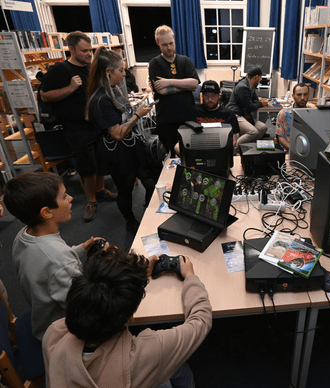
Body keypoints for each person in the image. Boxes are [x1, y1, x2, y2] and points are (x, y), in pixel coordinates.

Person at [43, 246, 212, 388]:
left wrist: (135, 278)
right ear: (130, 317)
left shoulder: (54, 334)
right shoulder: (151, 352)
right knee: (179, 368)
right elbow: (201, 321)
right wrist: (190, 277)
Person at [2, 172, 102, 341]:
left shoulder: (24, 235)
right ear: (47, 212)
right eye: (64, 196)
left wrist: (81, 250)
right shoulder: (59, 259)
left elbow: (49, 262)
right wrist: (105, 265)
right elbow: (87, 307)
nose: (71, 198)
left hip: (43, 320)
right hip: (66, 333)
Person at [40, 31, 116, 222]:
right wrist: (70, 88)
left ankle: (100, 191)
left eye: (90, 50)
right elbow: (45, 96)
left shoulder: (91, 68)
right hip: (76, 127)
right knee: (86, 165)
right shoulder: (60, 69)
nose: (89, 54)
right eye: (84, 51)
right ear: (71, 49)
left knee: (100, 160)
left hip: (96, 123)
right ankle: (91, 201)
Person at [86, 47, 156, 235]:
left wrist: (137, 112)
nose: (124, 74)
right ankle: (130, 220)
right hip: (118, 154)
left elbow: (124, 115)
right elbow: (117, 134)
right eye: (120, 70)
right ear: (108, 72)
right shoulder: (100, 100)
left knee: (150, 181)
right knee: (125, 191)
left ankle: (149, 212)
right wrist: (138, 115)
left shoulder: (114, 90)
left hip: (132, 147)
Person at [149, 25, 200, 156]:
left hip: (188, 117)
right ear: (158, 43)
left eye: (171, 43)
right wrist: (185, 85)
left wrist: (168, 81)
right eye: (164, 44)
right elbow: (162, 91)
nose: (169, 47)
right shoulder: (155, 63)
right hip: (167, 120)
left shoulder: (185, 60)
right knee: (170, 156)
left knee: (190, 153)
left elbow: (194, 84)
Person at [175, 80, 239, 154]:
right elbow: (186, 135)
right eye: (207, 96)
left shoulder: (228, 114)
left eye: (213, 96)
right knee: (177, 147)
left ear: (219, 96)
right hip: (197, 146)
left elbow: (233, 141)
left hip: (220, 148)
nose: (210, 99)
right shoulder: (193, 111)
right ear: (202, 96)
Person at [226, 67, 269, 149]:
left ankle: (248, 147)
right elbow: (250, 107)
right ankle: (234, 149)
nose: (261, 80)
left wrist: (258, 102)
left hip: (243, 114)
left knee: (263, 128)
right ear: (256, 77)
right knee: (253, 132)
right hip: (235, 115)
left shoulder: (251, 86)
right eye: (260, 77)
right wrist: (261, 103)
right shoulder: (243, 87)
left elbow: (254, 100)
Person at [275, 83, 310, 151]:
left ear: (309, 95)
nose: (302, 98)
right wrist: (294, 151)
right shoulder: (284, 114)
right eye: (299, 95)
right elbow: (281, 138)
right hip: (290, 149)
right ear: (293, 96)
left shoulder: (312, 114)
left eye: (305, 94)